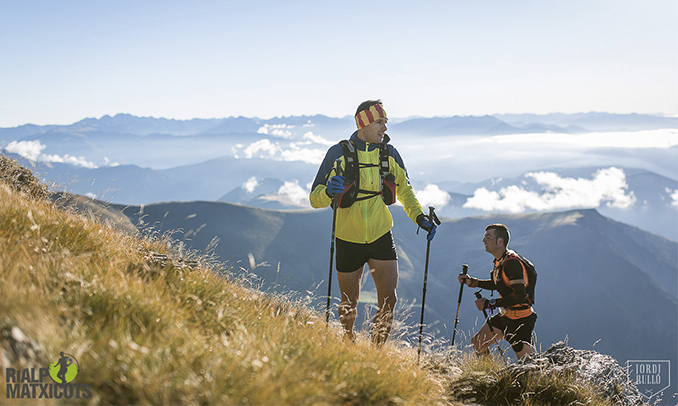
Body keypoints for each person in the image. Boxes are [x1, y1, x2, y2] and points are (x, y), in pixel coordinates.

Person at [310, 100, 436, 345]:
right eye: (379, 122)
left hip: (381, 235)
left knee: (390, 299)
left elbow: (405, 191)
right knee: (349, 302)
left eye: (385, 122)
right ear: (363, 123)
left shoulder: (390, 154)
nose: (384, 128)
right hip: (348, 238)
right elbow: (314, 197)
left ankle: (376, 352)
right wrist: (327, 192)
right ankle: (348, 341)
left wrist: (420, 218)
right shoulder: (337, 153)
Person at [458, 223, 537, 359]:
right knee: (478, 343)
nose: (484, 240)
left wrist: (489, 304)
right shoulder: (501, 260)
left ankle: (539, 377)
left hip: (521, 319)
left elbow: (519, 296)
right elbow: (500, 284)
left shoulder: (512, 263)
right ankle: (490, 375)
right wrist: (473, 282)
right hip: (506, 315)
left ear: (500, 241)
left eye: (488, 237)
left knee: (528, 363)